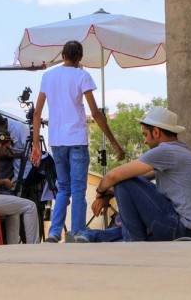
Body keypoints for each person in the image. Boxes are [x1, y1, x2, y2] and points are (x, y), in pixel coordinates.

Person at [31, 40, 125, 243]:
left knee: (63, 188)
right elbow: (96, 113)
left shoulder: (48, 76)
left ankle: (54, 232)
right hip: (76, 140)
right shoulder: (82, 76)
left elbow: (37, 113)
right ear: (80, 57)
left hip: (57, 141)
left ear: (62, 55)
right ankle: (77, 233)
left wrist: (35, 145)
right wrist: (115, 143)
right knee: (78, 189)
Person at [91, 106, 191, 242]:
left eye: (145, 134)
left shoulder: (166, 151)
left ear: (157, 132)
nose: (145, 141)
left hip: (180, 228)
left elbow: (113, 176)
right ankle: (89, 236)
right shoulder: (182, 151)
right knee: (125, 184)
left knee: (123, 181)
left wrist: (99, 193)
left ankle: (133, 243)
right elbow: (137, 181)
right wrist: (107, 195)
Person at [0, 111, 32, 192]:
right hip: (16, 172)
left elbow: (31, 152)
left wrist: (13, 155)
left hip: (28, 172)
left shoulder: (20, 128)